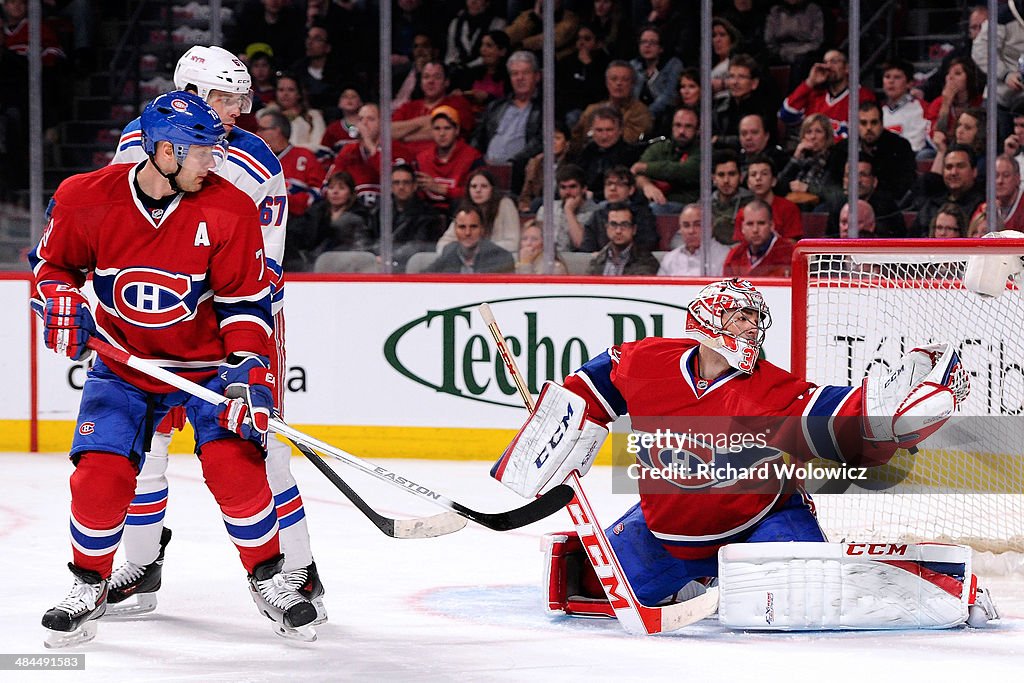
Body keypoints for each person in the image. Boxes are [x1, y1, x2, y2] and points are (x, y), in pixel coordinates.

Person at [496, 277, 988, 628]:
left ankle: (951, 589)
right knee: (582, 582)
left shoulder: (774, 389)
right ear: (708, 321)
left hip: (763, 521)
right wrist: (559, 430)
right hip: (667, 530)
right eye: (742, 317)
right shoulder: (648, 361)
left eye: (757, 320)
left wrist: (892, 420)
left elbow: (854, 429)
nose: (753, 329)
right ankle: (698, 578)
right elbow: (592, 385)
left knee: (813, 602)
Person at [33, 91, 317, 647]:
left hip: (208, 367)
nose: (213, 161)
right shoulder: (84, 197)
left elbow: (245, 301)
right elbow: (53, 266)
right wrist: (59, 299)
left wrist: (245, 366)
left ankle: (269, 577)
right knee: (100, 473)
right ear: (166, 150)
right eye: (202, 153)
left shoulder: (229, 207)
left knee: (235, 465)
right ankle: (87, 583)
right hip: (125, 364)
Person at [108, 46, 324, 623]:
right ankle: (141, 570)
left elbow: (266, 267)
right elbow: (123, 230)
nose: (236, 110)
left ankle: (299, 576)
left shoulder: (259, 162)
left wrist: (243, 348)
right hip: (157, 323)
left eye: (240, 99)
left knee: (263, 453)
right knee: (141, 447)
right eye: (225, 98)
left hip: (230, 325)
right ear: (193, 95)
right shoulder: (139, 142)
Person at [256, 109, 326, 270]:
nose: (257, 133)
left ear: (277, 131)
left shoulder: (304, 157)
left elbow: (319, 191)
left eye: (262, 129)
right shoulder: (256, 159)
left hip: (295, 225)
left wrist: (287, 203)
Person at [471, 50, 544, 193]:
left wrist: (514, 163)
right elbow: (477, 137)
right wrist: (478, 160)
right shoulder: (496, 106)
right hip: (487, 170)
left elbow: (540, 142)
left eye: (525, 73)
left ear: (537, 76)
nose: (519, 78)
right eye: (515, 74)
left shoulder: (544, 108)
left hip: (518, 172)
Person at [324, 102, 414, 209]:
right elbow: (328, 185)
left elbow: (396, 182)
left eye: (370, 119)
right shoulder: (348, 151)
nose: (364, 123)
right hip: (354, 212)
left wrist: (371, 147)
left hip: (391, 211)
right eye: (361, 119)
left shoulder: (399, 150)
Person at [827, 100, 917, 203]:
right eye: (863, 123)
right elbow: (832, 184)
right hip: (847, 204)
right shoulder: (842, 149)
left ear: (882, 123)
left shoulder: (900, 147)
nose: (869, 128)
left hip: (888, 204)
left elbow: (904, 184)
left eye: (874, 122)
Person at [362, 163, 444, 272]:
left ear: (414, 186)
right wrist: (374, 257)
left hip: (409, 268)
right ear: (391, 186)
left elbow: (419, 246)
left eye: (406, 182)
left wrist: (388, 258)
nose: (401, 187)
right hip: (376, 264)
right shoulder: (377, 211)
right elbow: (366, 240)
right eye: (396, 183)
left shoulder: (429, 214)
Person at [779, 49, 876, 140]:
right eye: (825, 62)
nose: (828, 66)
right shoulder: (814, 95)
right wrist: (810, 82)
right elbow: (785, 116)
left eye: (834, 62)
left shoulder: (863, 96)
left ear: (847, 68)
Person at [414, 105, 483, 219]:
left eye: (447, 128)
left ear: (457, 130)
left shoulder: (473, 157)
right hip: (427, 215)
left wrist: (441, 189)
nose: (442, 134)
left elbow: (478, 193)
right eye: (437, 128)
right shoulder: (421, 158)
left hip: (461, 215)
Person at [631, 104, 701, 215]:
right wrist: (646, 185)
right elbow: (636, 174)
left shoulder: (703, 151)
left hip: (686, 205)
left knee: (654, 209)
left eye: (688, 126)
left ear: (698, 130)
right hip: (655, 202)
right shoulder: (660, 147)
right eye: (678, 125)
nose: (681, 131)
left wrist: (645, 167)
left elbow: (683, 171)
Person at [435, 168, 520, 253]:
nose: (478, 190)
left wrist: (481, 249)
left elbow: (513, 243)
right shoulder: (465, 209)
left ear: (492, 189)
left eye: (484, 186)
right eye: (474, 186)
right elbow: (443, 244)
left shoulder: (505, 205)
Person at [572, 60, 653, 149]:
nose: (618, 83)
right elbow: (576, 138)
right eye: (614, 79)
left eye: (625, 80)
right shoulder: (591, 109)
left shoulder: (640, 112)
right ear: (607, 83)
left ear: (632, 84)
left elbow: (630, 141)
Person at [911, 142, 985, 238]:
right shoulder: (931, 204)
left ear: (974, 171)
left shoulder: (983, 205)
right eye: (949, 167)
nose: (953, 172)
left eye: (960, 166)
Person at [572, 106, 641, 202]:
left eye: (609, 130)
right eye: (599, 130)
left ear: (620, 130)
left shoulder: (631, 154)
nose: (604, 136)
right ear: (592, 130)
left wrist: (593, 195)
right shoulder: (586, 151)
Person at [302, 170, 371, 267]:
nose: (335, 192)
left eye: (341, 188)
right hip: (315, 265)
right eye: (331, 188)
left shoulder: (359, 216)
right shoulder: (316, 213)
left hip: (348, 265)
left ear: (351, 193)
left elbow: (362, 247)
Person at [581, 166, 657, 252]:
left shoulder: (642, 214)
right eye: (609, 184)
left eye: (619, 184)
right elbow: (587, 249)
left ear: (631, 190)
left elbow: (648, 244)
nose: (612, 188)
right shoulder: (597, 216)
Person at [426, 203, 515, 273]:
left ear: (482, 229)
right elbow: (424, 277)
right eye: (462, 227)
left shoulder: (502, 258)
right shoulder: (449, 251)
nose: (467, 233)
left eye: (473, 227)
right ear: (455, 230)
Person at [731, 155, 802, 242]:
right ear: (748, 183)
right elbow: (740, 245)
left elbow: (793, 243)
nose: (758, 178)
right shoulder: (743, 212)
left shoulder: (789, 208)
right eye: (753, 175)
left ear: (773, 181)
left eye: (764, 174)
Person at [777, 113, 840, 210]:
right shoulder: (798, 157)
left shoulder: (835, 157)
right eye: (808, 132)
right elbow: (778, 187)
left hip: (821, 208)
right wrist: (796, 158)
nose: (813, 137)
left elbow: (832, 192)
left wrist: (807, 188)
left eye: (818, 131)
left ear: (827, 136)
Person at [556, 23, 611, 128]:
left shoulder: (605, 64)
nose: (581, 43)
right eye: (579, 38)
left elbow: (599, 92)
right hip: (568, 108)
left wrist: (589, 65)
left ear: (599, 43)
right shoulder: (566, 62)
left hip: (594, 110)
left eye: (587, 39)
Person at [535, 163, 599, 252]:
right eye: (563, 187)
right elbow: (536, 238)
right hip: (546, 257)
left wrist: (569, 211)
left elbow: (580, 244)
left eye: (572, 186)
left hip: (577, 260)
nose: (567, 192)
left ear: (584, 188)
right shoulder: (547, 208)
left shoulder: (595, 213)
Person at [723, 198, 795, 277]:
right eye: (750, 224)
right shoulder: (735, 255)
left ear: (771, 225)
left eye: (761, 223)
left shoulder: (791, 254)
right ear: (742, 228)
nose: (755, 230)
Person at [259, 72, 328, 153]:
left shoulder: (314, 115)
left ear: (299, 94)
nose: (285, 94)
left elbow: (319, 146)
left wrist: (290, 150)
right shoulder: (264, 115)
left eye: (291, 90)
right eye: (281, 90)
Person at [587, 202, 659, 276]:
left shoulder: (647, 262)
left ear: (634, 229)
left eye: (624, 225)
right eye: (613, 225)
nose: (618, 231)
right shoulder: (597, 260)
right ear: (607, 228)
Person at [657, 204, 730, 276]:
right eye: (686, 225)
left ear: (710, 227)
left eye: (698, 225)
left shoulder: (725, 256)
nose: (691, 231)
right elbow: (659, 287)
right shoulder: (670, 258)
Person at [630, 25, 682, 122]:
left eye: (652, 42)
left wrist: (646, 114)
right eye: (643, 42)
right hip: (637, 118)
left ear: (661, 48)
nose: (647, 46)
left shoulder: (673, 65)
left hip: (665, 117)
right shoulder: (634, 66)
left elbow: (669, 95)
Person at [879, 59, 932, 155]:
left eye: (897, 77)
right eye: (887, 77)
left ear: (909, 83)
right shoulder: (878, 110)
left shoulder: (922, 107)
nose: (891, 81)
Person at [924, 56, 983, 140]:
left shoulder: (980, 102)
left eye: (957, 73)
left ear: (970, 77)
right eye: (948, 73)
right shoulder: (938, 102)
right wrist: (945, 104)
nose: (950, 77)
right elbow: (935, 136)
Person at [968, 155, 1024, 235]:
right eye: (996, 176)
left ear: (1017, 178)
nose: (1000, 181)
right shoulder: (983, 209)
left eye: (1006, 175)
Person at [711, 149, 751, 246]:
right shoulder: (704, 205)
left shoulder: (752, 204)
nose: (726, 180)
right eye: (721, 175)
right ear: (714, 179)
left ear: (741, 177)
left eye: (732, 174)